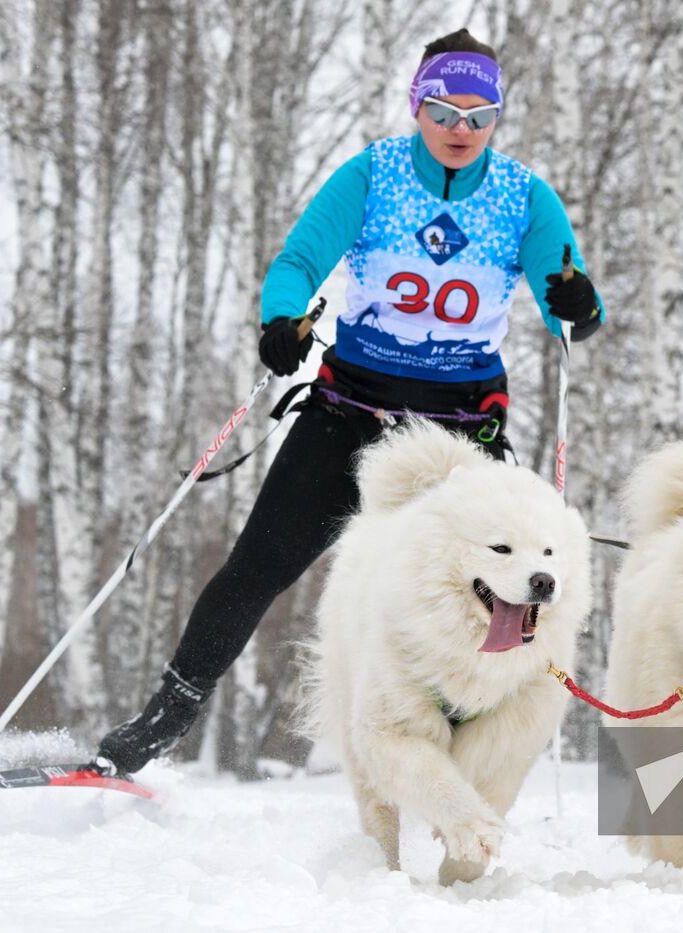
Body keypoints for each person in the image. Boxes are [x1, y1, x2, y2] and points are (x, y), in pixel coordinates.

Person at [94, 28, 604, 775]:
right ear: (416, 105)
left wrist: (578, 300)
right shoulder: (376, 173)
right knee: (256, 568)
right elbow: (299, 262)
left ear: (498, 117)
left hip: (461, 432)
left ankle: (463, 743)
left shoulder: (524, 196)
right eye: (443, 110)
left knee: (491, 591)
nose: (460, 130)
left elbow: (576, 304)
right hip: (352, 412)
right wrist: (282, 320)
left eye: (479, 115)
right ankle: (163, 719)